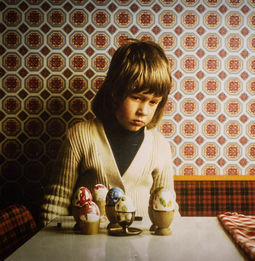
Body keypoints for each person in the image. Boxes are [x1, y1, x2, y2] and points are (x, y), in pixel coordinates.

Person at [41, 39, 179, 225]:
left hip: (144, 250)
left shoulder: (160, 146)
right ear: (115, 92)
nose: (144, 111)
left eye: (153, 102)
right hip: (87, 247)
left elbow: (169, 208)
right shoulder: (80, 136)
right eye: (136, 98)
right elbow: (55, 205)